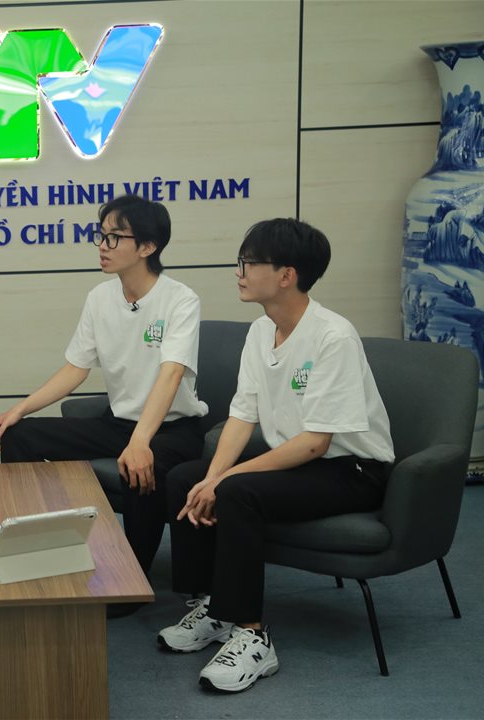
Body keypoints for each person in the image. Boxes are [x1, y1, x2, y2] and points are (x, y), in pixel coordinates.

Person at [159, 218, 394, 693]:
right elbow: (241, 416)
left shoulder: (333, 336)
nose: (239, 271)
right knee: (185, 478)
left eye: (249, 262)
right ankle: (215, 607)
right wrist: (212, 476)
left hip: (352, 471)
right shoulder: (260, 332)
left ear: (287, 275)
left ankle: (253, 636)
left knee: (238, 491)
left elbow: (316, 442)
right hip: (301, 462)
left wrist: (226, 480)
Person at [0, 195, 207, 578]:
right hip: (118, 423)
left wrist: (140, 441)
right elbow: (76, 368)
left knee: (140, 464)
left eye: (114, 238)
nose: (103, 246)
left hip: (172, 429)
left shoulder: (180, 300)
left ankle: (132, 578)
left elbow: (170, 375)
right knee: (19, 436)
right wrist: (18, 410)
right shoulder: (100, 298)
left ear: (147, 246)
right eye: (101, 236)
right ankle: (31, 551)